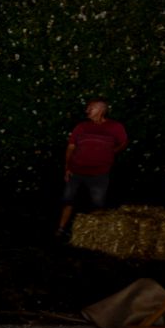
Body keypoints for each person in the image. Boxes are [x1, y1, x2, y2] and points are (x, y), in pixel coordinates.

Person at [57, 97, 126, 238]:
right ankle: (61, 229)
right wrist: (67, 167)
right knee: (68, 201)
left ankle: (96, 234)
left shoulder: (115, 127)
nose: (87, 110)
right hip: (76, 171)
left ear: (101, 110)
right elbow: (71, 147)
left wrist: (111, 152)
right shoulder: (81, 126)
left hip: (99, 173)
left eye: (91, 108)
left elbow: (123, 142)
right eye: (88, 108)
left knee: (98, 204)